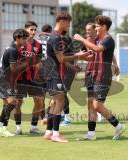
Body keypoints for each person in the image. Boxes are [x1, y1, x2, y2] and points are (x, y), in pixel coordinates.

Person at [74, 15, 125, 140]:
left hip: (103, 76)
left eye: (97, 26)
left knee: (97, 106)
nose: (95, 28)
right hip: (92, 75)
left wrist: (81, 39)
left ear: (104, 27)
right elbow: (95, 54)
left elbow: (97, 50)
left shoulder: (107, 39)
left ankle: (118, 126)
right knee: (91, 105)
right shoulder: (99, 39)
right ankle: (91, 134)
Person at [43, 12, 91, 143]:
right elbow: (61, 58)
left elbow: (60, 59)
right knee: (60, 101)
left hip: (51, 72)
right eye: (68, 23)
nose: (69, 26)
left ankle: (48, 133)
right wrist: (79, 56)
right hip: (53, 73)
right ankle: (56, 134)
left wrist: (73, 65)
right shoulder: (56, 38)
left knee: (54, 102)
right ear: (62, 21)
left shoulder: (54, 36)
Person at [0, 29, 29, 137]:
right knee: (13, 102)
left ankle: (2, 127)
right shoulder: (13, 50)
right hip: (4, 79)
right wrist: (26, 64)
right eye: (24, 39)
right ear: (17, 39)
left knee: (8, 104)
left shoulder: (14, 47)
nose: (25, 41)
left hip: (5, 78)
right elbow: (13, 69)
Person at [14, 21, 45, 135]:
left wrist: (39, 65)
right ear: (26, 30)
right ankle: (18, 127)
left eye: (35, 30)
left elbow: (40, 61)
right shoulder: (19, 44)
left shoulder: (38, 45)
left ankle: (33, 127)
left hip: (34, 78)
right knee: (18, 102)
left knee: (39, 101)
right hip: (20, 78)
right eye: (31, 29)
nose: (33, 32)